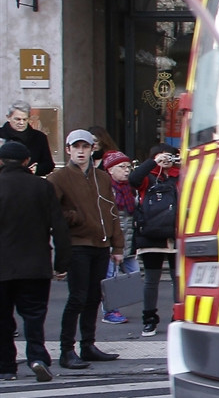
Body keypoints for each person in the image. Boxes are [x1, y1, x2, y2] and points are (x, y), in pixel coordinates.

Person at [46, 129, 123, 369]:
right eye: (76, 147)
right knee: (77, 298)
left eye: (85, 147)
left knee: (93, 297)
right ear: (68, 149)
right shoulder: (58, 178)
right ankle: (66, 350)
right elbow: (50, 210)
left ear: (92, 149)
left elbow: (112, 211)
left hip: (101, 244)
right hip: (77, 244)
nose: (81, 151)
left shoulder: (102, 177)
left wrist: (118, 245)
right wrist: (74, 217)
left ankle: (88, 345)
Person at [0, 139, 70, 381]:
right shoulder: (42, 187)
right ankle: (37, 357)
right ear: (27, 161)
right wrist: (61, 263)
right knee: (34, 315)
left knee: (3, 318)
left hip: (2, 267)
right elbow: (59, 227)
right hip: (35, 264)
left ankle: (6, 366)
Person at [129, 145, 181, 337]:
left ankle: (178, 316)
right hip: (151, 235)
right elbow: (133, 180)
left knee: (178, 279)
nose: (166, 160)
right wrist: (153, 163)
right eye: (162, 156)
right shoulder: (147, 176)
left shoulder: (179, 176)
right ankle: (149, 319)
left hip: (175, 235)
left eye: (170, 156)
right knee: (151, 280)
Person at [100, 151, 136, 324]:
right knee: (110, 278)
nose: (126, 170)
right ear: (110, 170)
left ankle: (115, 306)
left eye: (128, 167)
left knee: (134, 275)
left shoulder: (129, 189)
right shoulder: (106, 190)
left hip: (128, 241)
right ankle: (109, 311)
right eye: (122, 167)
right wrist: (114, 246)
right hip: (113, 243)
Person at [1, 103, 54, 176]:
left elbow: (49, 164)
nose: (21, 123)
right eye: (17, 119)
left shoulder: (39, 137)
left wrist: (37, 169)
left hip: (29, 179)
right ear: (8, 118)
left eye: (25, 119)